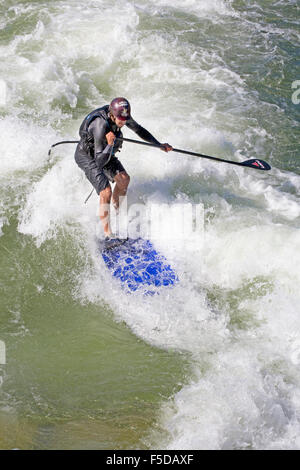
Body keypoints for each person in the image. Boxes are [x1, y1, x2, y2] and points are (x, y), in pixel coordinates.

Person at [75, 97, 173, 243]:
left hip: (105, 152)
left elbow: (139, 130)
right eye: (120, 119)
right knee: (106, 191)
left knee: (124, 179)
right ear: (112, 115)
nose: (123, 122)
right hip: (90, 156)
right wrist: (109, 144)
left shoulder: (123, 114)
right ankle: (108, 233)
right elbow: (99, 162)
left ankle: (117, 213)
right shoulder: (99, 125)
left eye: (125, 119)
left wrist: (158, 144)